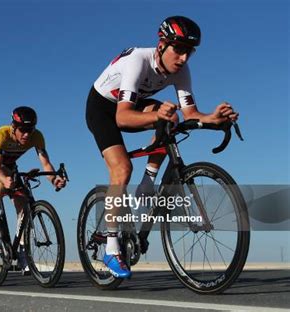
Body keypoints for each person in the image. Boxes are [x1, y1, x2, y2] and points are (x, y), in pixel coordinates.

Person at [85, 16, 239, 278]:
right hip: (103, 108)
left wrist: (212, 118)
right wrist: (157, 115)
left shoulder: (182, 71)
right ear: (161, 46)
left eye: (189, 52)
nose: (183, 58)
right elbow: (122, 117)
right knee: (122, 169)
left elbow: (190, 113)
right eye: (178, 50)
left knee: (174, 117)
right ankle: (111, 248)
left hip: (132, 105)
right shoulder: (138, 61)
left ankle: (149, 181)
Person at [0, 106, 67, 272]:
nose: (26, 135)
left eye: (30, 130)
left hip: (10, 164)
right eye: (23, 130)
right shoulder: (2, 135)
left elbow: (46, 164)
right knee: (4, 177)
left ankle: (22, 252)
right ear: (13, 127)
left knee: (23, 204)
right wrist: (4, 180)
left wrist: (54, 180)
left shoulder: (37, 137)